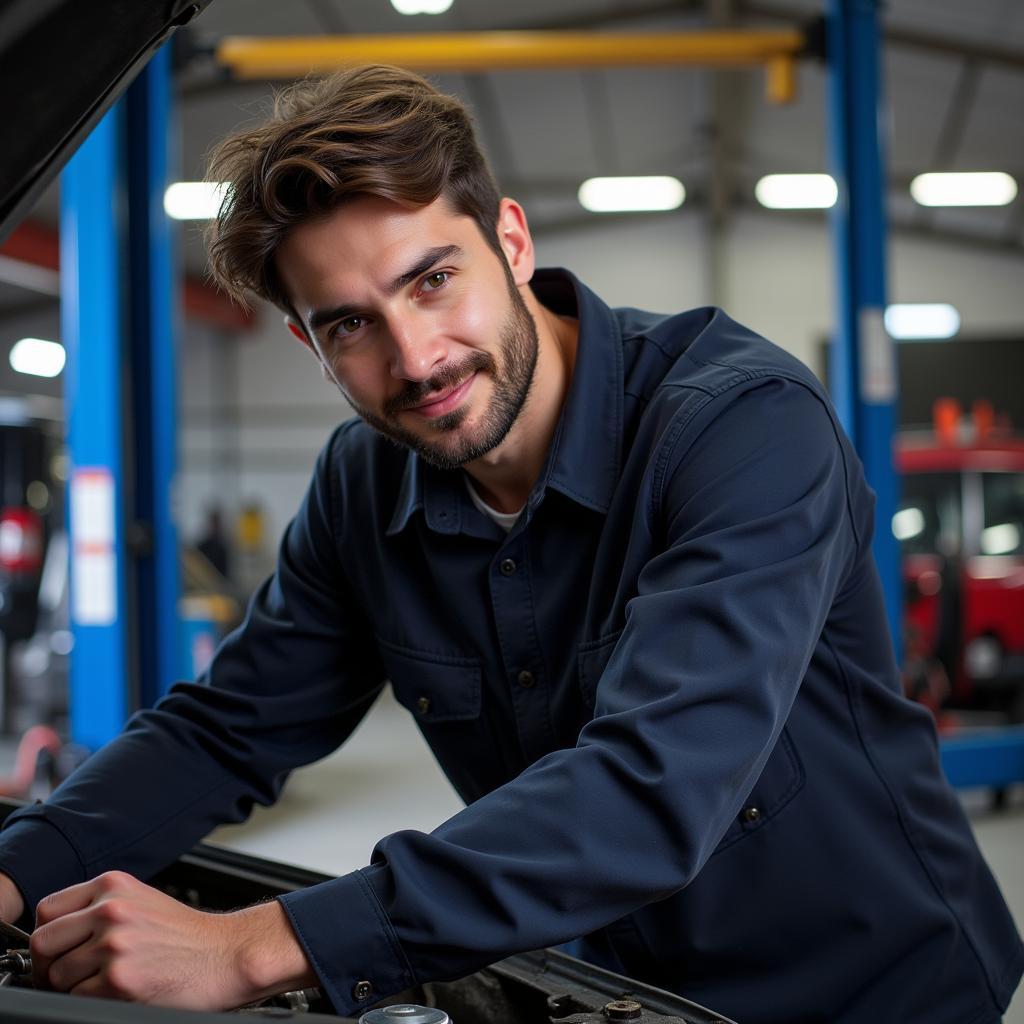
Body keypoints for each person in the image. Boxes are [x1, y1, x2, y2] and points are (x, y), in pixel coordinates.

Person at [0, 65, 1020, 1023]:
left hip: (876, 986)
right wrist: (20, 867)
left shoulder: (741, 427)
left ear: (513, 243)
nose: (415, 356)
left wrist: (249, 946)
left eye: (433, 278)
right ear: (310, 346)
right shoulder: (363, 488)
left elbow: (650, 788)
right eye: (350, 325)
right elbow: (227, 728)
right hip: (623, 989)